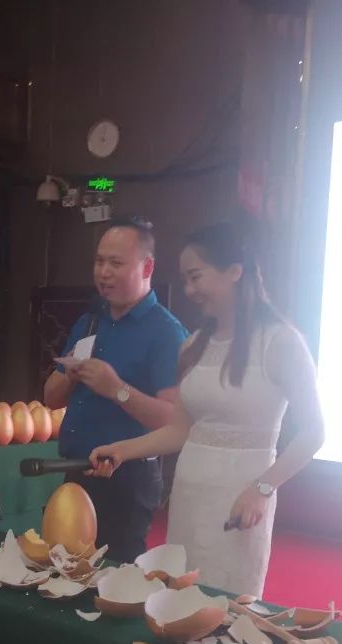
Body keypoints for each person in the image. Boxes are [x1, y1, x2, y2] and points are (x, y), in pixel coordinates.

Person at [89, 223, 325, 597]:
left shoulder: (281, 342)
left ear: (235, 271)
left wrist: (262, 489)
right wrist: (122, 450)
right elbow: (180, 430)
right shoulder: (194, 345)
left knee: (227, 603)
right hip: (190, 491)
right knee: (179, 596)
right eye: (185, 279)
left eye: (195, 277)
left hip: (240, 496)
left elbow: (314, 433)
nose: (189, 290)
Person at [44, 216, 187, 563]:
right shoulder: (90, 321)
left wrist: (117, 389)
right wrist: (71, 375)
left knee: (114, 576)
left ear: (147, 267)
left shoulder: (166, 332)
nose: (103, 272)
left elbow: (174, 420)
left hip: (128, 479)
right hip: (76, 469)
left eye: (116, 263)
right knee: (62, 570)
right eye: (99, 261)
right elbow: (50, 398)